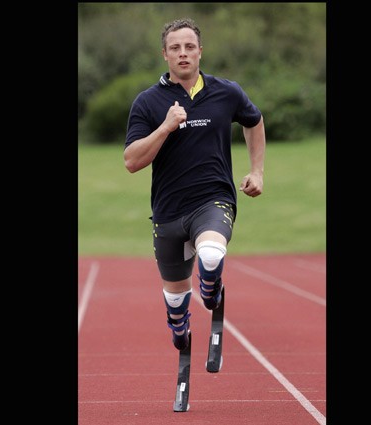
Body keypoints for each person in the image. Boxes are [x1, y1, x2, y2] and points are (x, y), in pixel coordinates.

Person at [124, 18, 266, 351]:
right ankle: (179, 325)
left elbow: (254, 120)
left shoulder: (226, 92)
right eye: (175, 48)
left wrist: (257, 171)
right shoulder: (147, 102)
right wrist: (165, 127)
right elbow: (131, 161)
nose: (183, 53)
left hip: (213, 201)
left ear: (200, 51)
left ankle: (211, 289)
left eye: (189, 47)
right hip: (168, 211)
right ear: (165, 54)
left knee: (212, 255)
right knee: (175, 301)